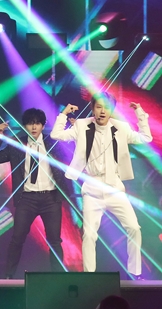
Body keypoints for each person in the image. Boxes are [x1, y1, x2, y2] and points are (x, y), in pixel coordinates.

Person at [51, 92, 152, 279]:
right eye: (99, 107)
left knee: (134, 228)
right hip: (92, 188)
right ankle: (89, 276)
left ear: (112, 110)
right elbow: (56, 134)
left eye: (106, 107)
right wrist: (63, 114)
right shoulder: (82, 126)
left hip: (115, 188)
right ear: (92, 108)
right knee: (89, 235)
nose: (102, 111)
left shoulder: (121, 128)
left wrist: (140, 114)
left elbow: (145, 138)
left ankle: (135, 273)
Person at [0, 108, 70, 279]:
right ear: (25, 126)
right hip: (27, 199)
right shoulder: (17, 145)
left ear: (43, 125)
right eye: (30, 124)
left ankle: (60, 278)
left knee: (55, 240)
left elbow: (69, 160)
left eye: (37, 123)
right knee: (17, 239)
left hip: (50, 199)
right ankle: (8, 276)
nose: (34, 127)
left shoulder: (52, 144)